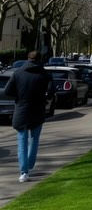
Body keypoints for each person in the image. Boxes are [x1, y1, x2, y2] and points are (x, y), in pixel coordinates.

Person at [3, 50, 54, 183]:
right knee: (34, 139)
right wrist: (44, 97)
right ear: (40, 59)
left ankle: (24, 171)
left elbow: (8, 90)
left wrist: (20, 95)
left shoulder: (18, 73)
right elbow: (51, 92)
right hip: (38, 109)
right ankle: (30, 164)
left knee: (22, 140)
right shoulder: (45, 75)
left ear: (28, 59)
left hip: (22, 109)